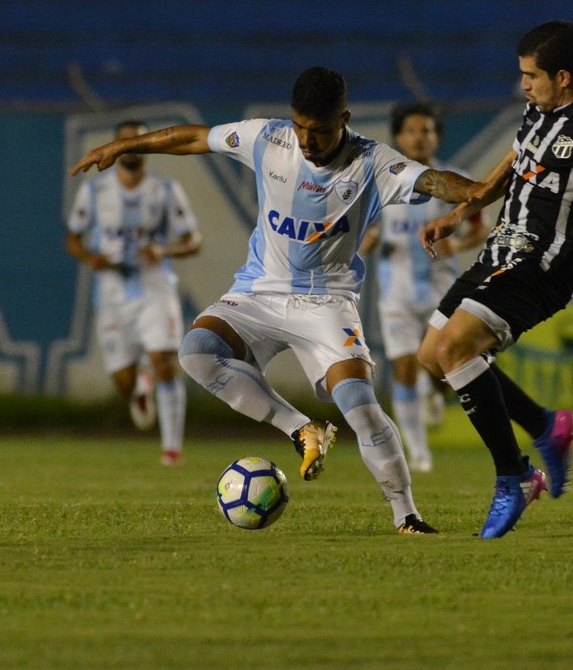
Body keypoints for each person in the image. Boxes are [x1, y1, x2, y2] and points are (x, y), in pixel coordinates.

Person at [70, 67, 479, 534]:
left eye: (319, 131)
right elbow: (193, 138)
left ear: (343, 119)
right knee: (197, 354)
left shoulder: (371, 161)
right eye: (300, 126)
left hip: (327, 304)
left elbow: (434, 182)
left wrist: (477, 191)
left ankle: (406, 514)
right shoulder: (270, 138)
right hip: (260, 292)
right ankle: (302, 430)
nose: (307, 140)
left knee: (362, 407)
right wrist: (126, 145)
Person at [418, 20, 573, 539]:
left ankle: (514, 476)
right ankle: (546, 428)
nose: (524, 85)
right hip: (499, 254)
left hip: (543, 268)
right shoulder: (543, 108)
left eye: (531, 76)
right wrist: (466, 208)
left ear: (563, 76)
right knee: (431, 356)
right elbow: (517, 162)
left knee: (454, 348)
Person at [358, 103, 487, 472]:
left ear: (437, 137)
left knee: (444, 367)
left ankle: (436, 392)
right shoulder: (381, 184)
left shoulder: (456, 183)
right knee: (403, 368)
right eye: (411, 131)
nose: (419, 137)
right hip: (395, 291)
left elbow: (480, 228)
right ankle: (418, 454)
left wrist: (458, 245)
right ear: (398, 137)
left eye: (427, 130)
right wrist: (366, 241)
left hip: (441, 290)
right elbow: (364, 230)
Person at [65, 120, 203, 466]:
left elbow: (193, 241)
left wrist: (164, 252)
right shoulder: (95, 191)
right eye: (123, 141)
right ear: (116, 146)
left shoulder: (166, 190)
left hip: (155, 288)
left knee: (167, 365)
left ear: (145, 146)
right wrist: (90, 258)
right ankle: (140, 384)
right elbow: (73, 237)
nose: (130, 147)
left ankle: (172, 450)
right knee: (123, 382)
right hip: (112, 295)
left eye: (136, 141)